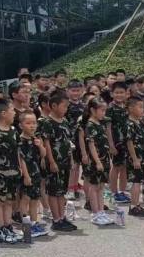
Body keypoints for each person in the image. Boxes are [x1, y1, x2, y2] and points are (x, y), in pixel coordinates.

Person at [0, 98, 27, 243]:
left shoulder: (14, 131)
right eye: (12, 110)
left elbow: (18, 151)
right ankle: (0, 227)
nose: (14, 113)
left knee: (10, 200)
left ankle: (8, 225)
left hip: (13, 171)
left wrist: (21, 168)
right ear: (3, 113)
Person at [42, 92, 76, 232]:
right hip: (54, 162)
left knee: (62, 191)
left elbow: (68, 143)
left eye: (67, 106)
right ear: (54, 106)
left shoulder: (65, 121)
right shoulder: (47, 123)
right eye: (64, 106)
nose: (66, 109)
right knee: (53, 191)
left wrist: (71, 160)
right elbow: (47, 143)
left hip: (65, 161)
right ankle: (56, 219)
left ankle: (62, 217)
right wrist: (51, 161)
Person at [17, 111, 50, 234]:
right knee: (25, 198)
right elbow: (21, 159)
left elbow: (43, 154)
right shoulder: (20, 140)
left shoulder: (35, 138)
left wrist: (40, 146)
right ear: (21, 125)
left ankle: (34, 223)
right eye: (28, 123)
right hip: (26, 174)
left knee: (35, 199)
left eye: (34, 123)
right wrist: (26, 176)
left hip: (36, 173)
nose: (32, 126)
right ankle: (26, 225)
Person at [81, 99, 113, 225]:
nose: (103, 113)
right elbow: (91, 145)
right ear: (93, 110)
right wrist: (97, 161)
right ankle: (95, 213)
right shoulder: (90, 125)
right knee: (94, 187)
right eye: (101, 110)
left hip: (104, 159)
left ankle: (101, 211)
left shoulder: (100, 123)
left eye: (105, 110)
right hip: (95, 160)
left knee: (101, 186)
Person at [124, 96, 144, 217]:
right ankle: (133, 206)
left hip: (141, 156)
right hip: (134, 157)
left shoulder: (140, 122)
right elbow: (129, 142)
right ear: (131, 108)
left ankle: (137, 204)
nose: (142, 110)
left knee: (139, 180)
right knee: (135, 181)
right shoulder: (129, 124)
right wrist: (135, 159)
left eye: (143, 107)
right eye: (140, 107)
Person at [106, 81, 130, 204]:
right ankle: (113, 192)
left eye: (122, 92)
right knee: (116, 167)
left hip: (127, 142)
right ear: (111, 94)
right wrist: (111, 145)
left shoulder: (126, 107)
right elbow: (108, 127)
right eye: (117, 92)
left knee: (125, 167)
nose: (119, 95)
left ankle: (122, 191)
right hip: (116, 142)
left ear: (126, 94)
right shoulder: (110, 108)